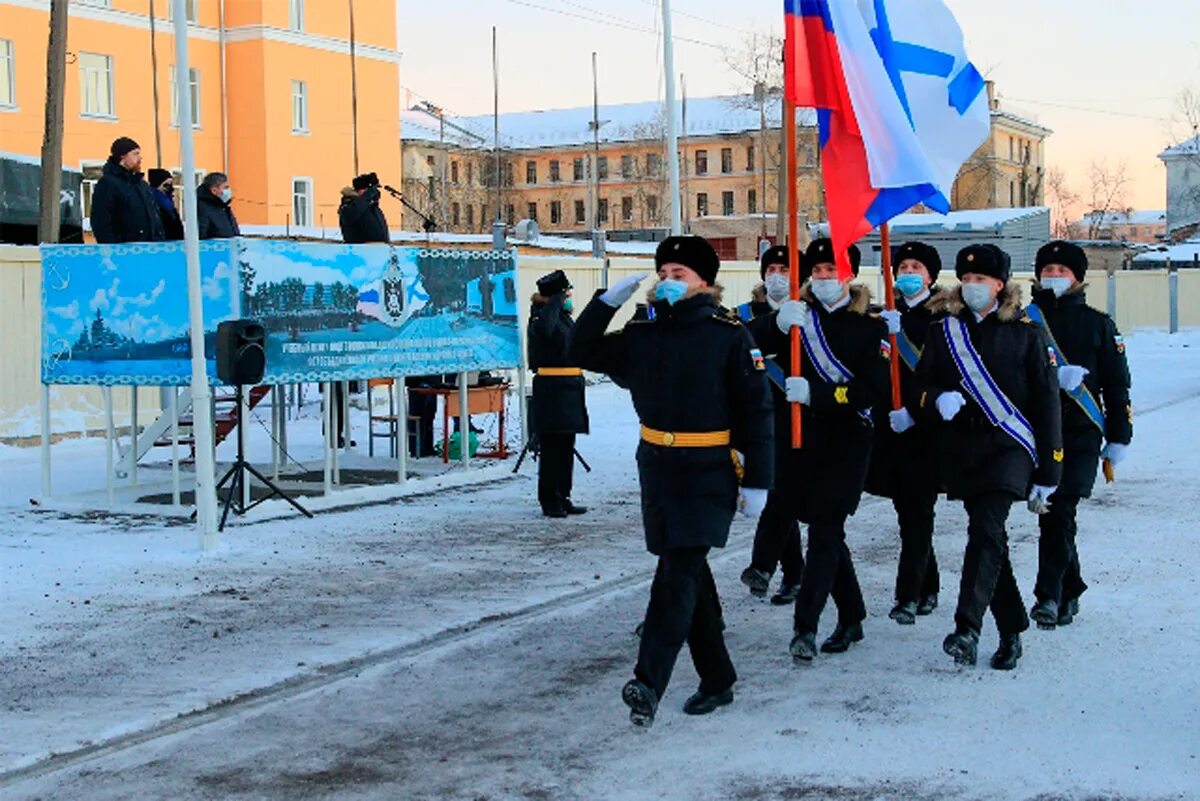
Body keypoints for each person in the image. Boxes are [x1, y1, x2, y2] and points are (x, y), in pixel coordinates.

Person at [567, 236, 773, 727]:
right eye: (664, 273)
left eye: (679, 273)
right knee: (689, 573)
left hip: (709, 471)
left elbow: (757, 410)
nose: (668, 281)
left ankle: (649, 680)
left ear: (705, 282)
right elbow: (581, 349)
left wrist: (759, 480)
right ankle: (718, 678)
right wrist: (604, 304)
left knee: (677, 572)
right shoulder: (644, 331)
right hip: (658, 467)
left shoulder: (729, 334)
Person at [910, 244, 1062, 670]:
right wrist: (936, 398)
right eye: (967, 279)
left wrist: (1050, 470)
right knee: (990, 539)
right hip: (962, 449)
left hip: (1009, 448)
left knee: (986, 527)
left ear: (1000, 285)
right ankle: (1012, 629)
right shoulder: (944, 331)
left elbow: (1047, 403)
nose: (973, 286)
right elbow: (919, 387)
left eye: (982, 280)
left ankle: (967, 628)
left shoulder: (1027, 333)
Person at [754, 239, 890, 662]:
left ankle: (805, 626)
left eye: (832, 270)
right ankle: (852, 616)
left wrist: (820, 394)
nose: (824, 278)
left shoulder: (872, 327)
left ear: (849, 274)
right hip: (800, 441)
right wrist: (774, 326)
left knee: (826, 532)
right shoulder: (797, 318)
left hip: (847, 441)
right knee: (825, 533)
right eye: (817, 271)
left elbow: (874, 389)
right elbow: (742, 347)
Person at [1027, 241, 1132, 629]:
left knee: (1059, 510)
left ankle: (1047, 597)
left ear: (1077, 278)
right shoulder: (1024, 321)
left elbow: (1118, 386)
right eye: (1047, 270)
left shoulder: (1098, 324)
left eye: (1061, 271)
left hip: (1080, 433)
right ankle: (1070, 589)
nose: (1053, 277)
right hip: (1038, 432)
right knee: (1053, 515)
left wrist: (1120, 436)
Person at [868, 241, 947, 625]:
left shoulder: (946, 318)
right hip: (891, 429)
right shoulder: (884, 316)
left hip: (927, 431)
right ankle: (928, 585)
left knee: (918, 514)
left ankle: (908, 596)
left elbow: (947, 376)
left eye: (917, 266)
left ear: (931, 276)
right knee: (908, 514)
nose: (908, 273)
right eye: (903, 266)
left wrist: (917, 413)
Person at [738, 244, 805, 606]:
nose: (777, 275)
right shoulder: (747, 314)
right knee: (778, 495)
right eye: (772, 269)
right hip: (761, 418)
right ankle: (792, 574)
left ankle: (773, 569)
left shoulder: (812, 314)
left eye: (785, 268)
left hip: (803, 417)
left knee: (784, 495)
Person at [528, 269, 588, 518]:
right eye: (566, 294)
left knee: (566, 447)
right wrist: (553, 303)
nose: (569, 298)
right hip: (552, 392)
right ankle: (549, 498)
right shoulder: (541, 318)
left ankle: (564, 495)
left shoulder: (563, 317)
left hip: (570, 390)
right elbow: (547, 332)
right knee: (552, 449)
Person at [89, 137, 166, 244]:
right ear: (122, 155)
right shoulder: (108, 184)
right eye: (135, 154)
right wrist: (112, 249)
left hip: (150, 249)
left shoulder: (142, 185)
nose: (140, 158)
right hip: (123, 251)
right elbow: (101, 222)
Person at [339, 172, 390, 244]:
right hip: (360, 250)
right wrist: (368, 196)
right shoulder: (349, 204)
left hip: (378, 249)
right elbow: (352, 214)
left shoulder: (370, 206)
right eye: (370, 190)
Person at [196, 172, 240, 239]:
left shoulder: (222, 206)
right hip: (214, 248)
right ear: (214, 190)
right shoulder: (203, 208)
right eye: (225, 187)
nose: (228, 190)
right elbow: (201, 236)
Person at [146, 168, 184, 241]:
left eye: (171, 184)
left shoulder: (168, 200)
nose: (169, 187)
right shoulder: (152, 200)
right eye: (166, 184)